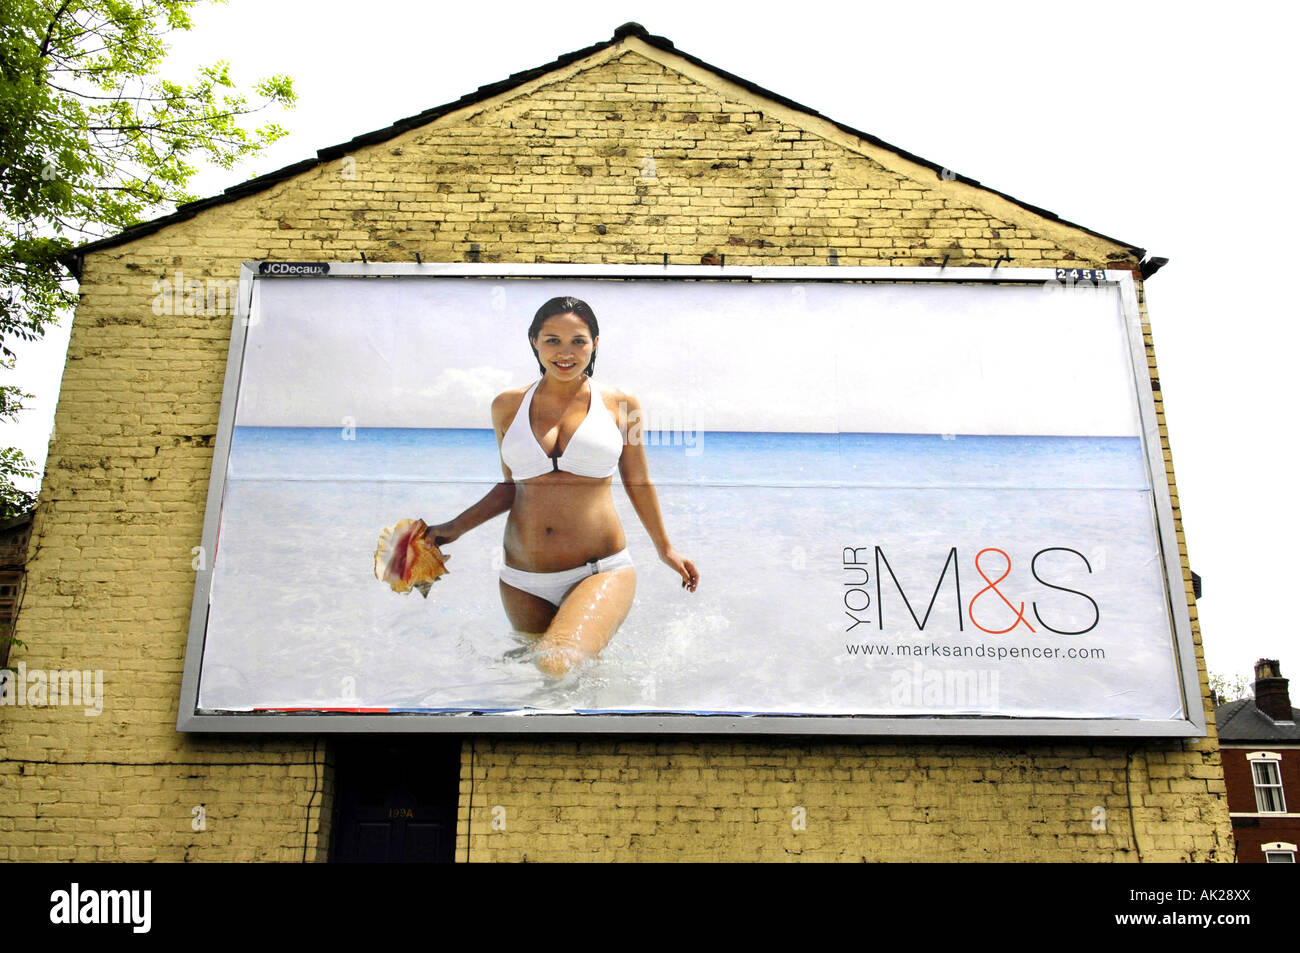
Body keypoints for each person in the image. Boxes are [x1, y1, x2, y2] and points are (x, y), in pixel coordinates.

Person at [424, 296, 698, 677]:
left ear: (595, 343)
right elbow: (511, 487)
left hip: (600, 569)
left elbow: (636, 480)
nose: (565, 352)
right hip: (521, 580)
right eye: (552, 340)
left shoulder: (622, 403)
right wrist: (452, 528)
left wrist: (665, 548)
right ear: (534, 341)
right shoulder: (506, 405)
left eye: (578, 341)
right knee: (542, 681)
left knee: (557, 663)